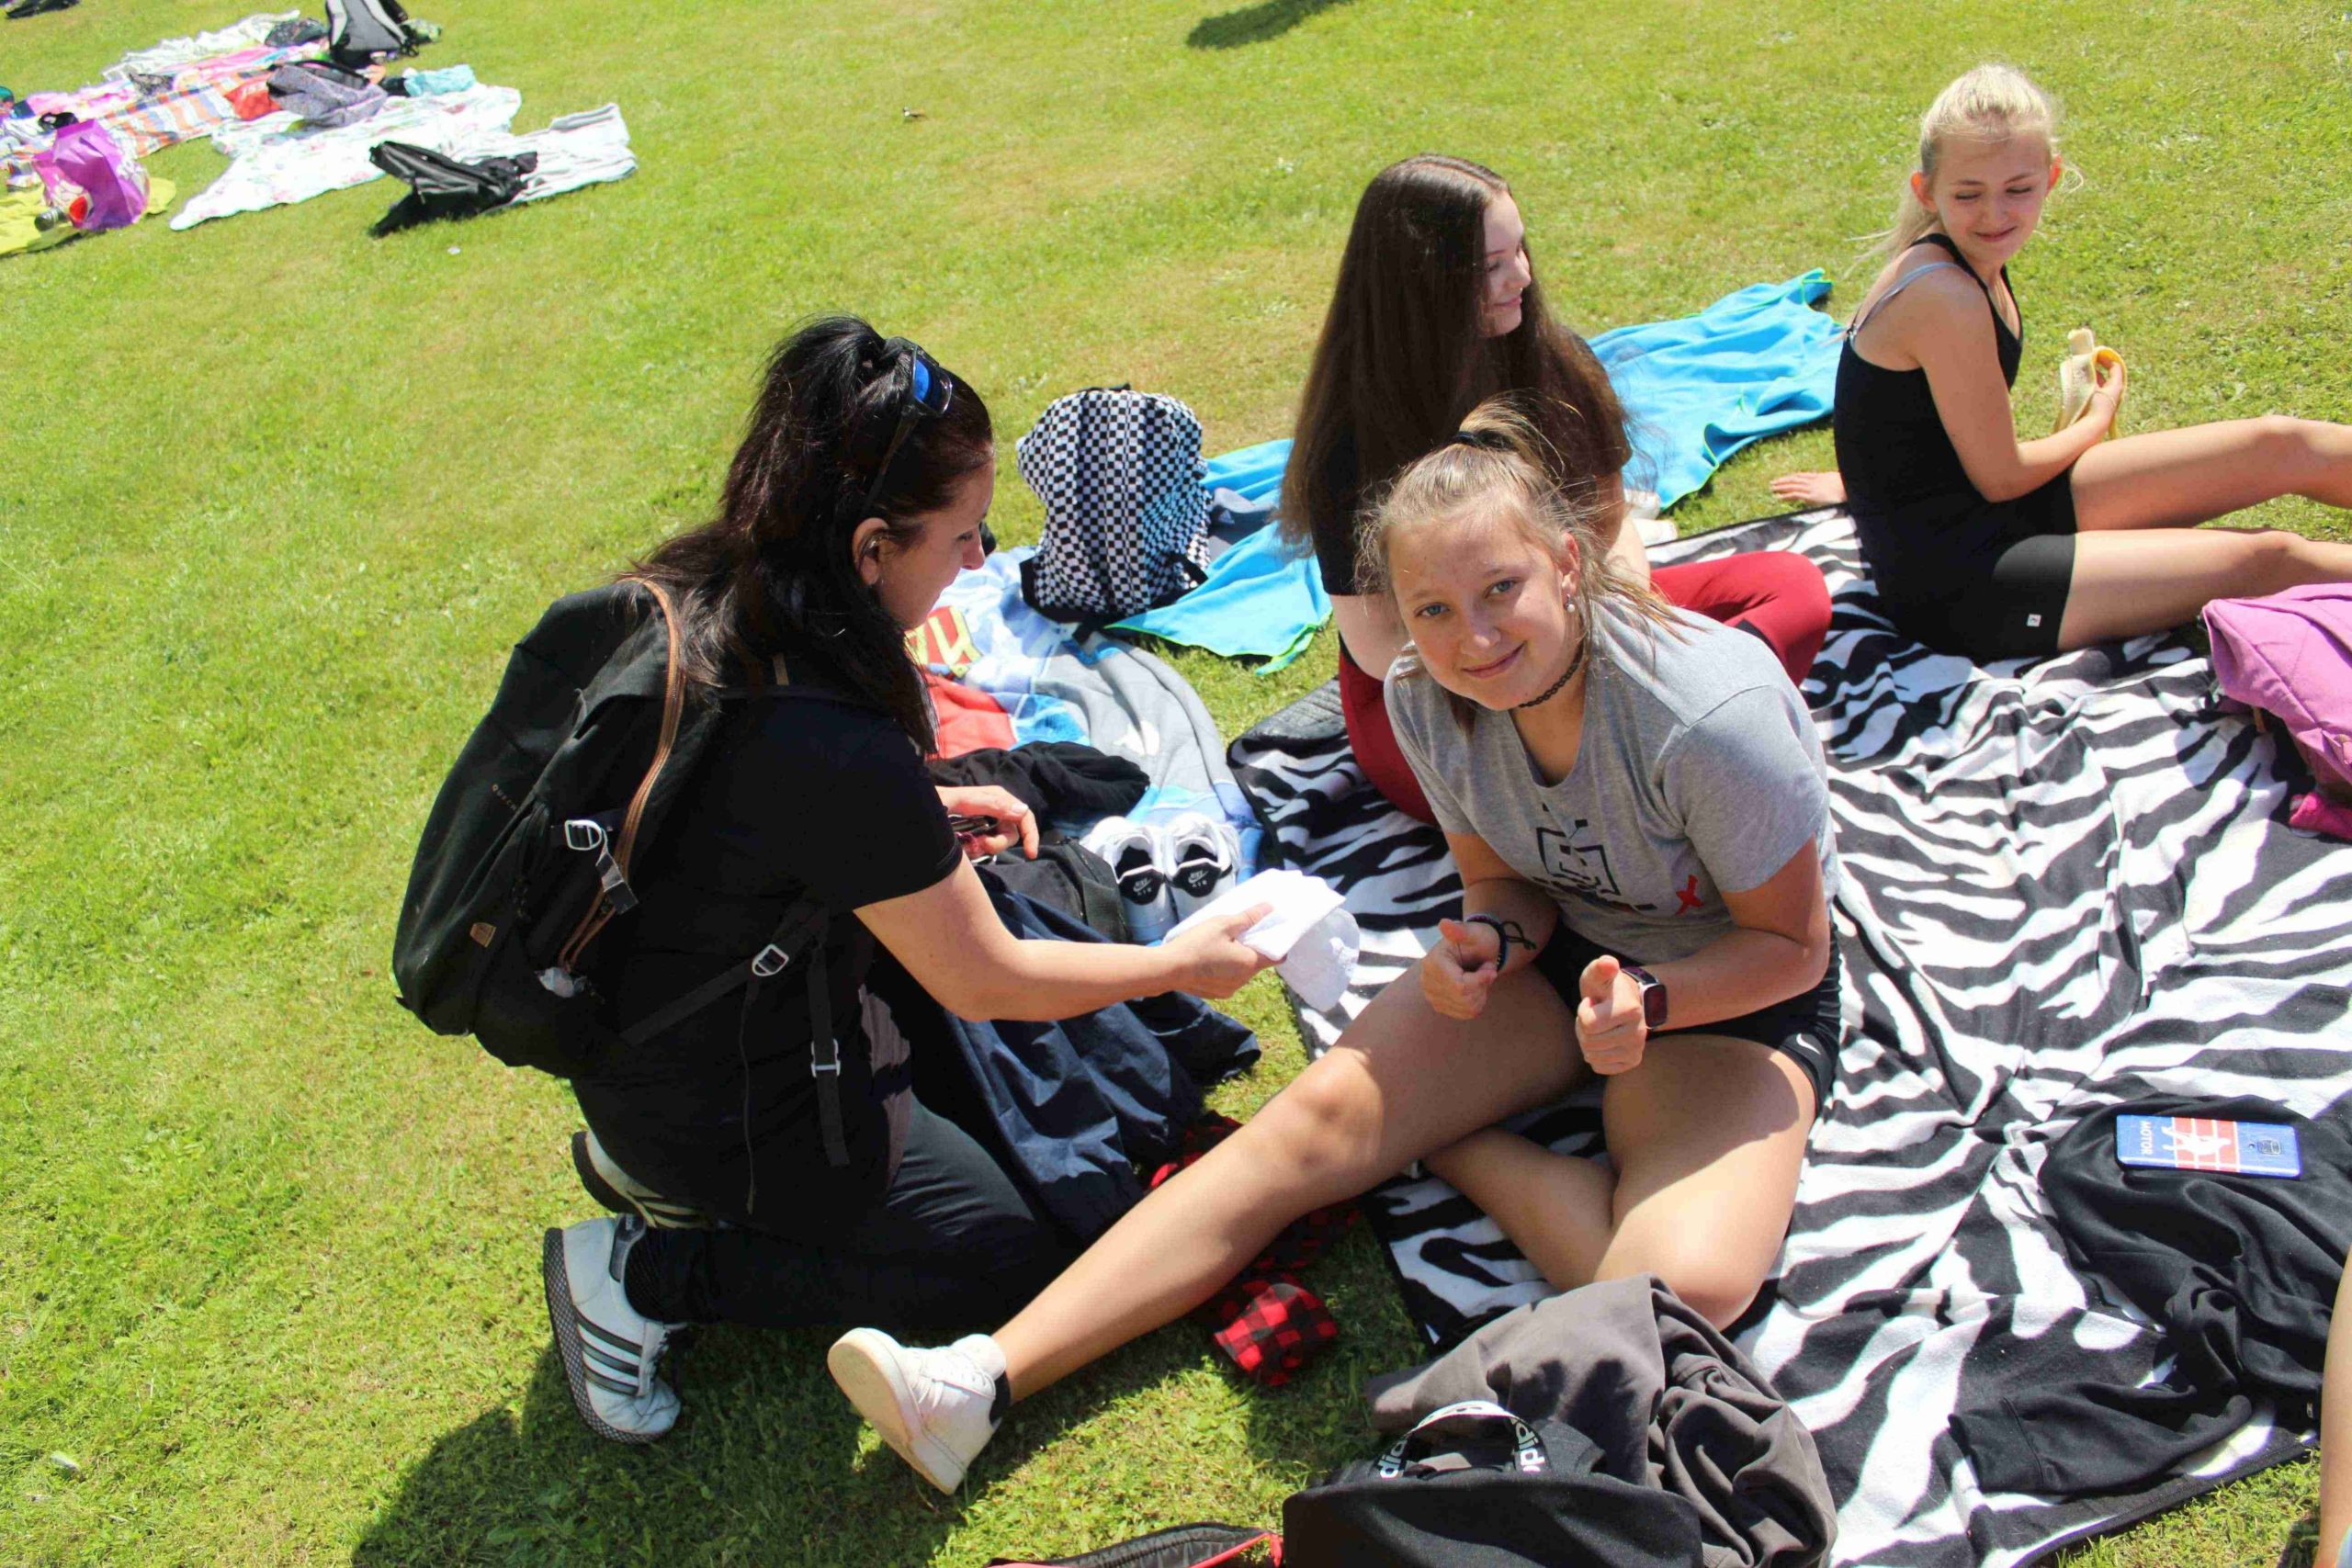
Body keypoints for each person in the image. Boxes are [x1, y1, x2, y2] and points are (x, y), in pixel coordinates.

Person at [828, 397, 1841, 1495]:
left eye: (1500, 589)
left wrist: (1647, 996)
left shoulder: (1707, 716)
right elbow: (1506, 881)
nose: (1474, 639)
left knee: (1675, 1293)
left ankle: (1453, 1143)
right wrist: (1489, 939)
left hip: (1723, 990)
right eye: (1432, 609)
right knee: (1300, 1135)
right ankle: (973, 1382)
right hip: (1562, 963)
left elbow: (1791, 947)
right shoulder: (1426, 694)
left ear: (1565, 562)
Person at [540, 315, 1276, 1445]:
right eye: (966, 536)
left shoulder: (703, 591)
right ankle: (642, 1278)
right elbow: (989, 980)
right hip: (719, 1092)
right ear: (873, 546)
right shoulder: (823, 736)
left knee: (996, 1092)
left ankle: (654, 1167)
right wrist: (1179, 963)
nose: (982, 562)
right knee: (1001, 1256)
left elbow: (728, 823)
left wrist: (918, 805)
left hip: (639, 1040)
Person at [1285, 153, 1833, 824]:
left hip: (1572, 623)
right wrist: (1527, 677)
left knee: (1793, 590)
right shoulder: (1352, 436)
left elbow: (1610, 526)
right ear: (1423, 284)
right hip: (1445, 681)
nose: (1521, 276)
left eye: (1519, 250)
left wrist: (1617, 651)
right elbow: (1378, 649)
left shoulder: (1552, 361)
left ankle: (1704, 727)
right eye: (1491, 265)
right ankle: (1633, 769)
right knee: (1499, 786)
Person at [1771, 64, 2352, 660]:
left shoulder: (1965, 260)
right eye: (1969, 194)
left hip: (1995, 510)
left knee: (2282, 443)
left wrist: (1862, 485)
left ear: (2050, 177)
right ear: (1927, 192)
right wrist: (2094, 421)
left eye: (2018, 189)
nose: (1995, 213)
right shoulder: (1942, 294)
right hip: (1961, 583)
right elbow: (2001, 475)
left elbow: (1902, 439)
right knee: (2270, 558)